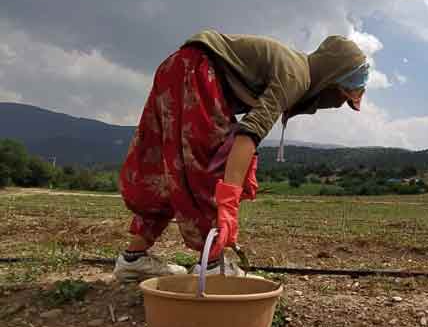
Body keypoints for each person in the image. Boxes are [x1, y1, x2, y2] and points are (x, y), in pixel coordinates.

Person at [113, 29, 369, 281]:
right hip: (199, 69)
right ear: (330, 80)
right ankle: (212, 265)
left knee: (168, 168)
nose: (335, 103)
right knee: (210, 164)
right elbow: (248, 136)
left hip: (177, 66)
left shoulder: (295, 67)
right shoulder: (296, 76)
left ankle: (133, 259)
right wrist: (228, 202)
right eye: (339, 95)